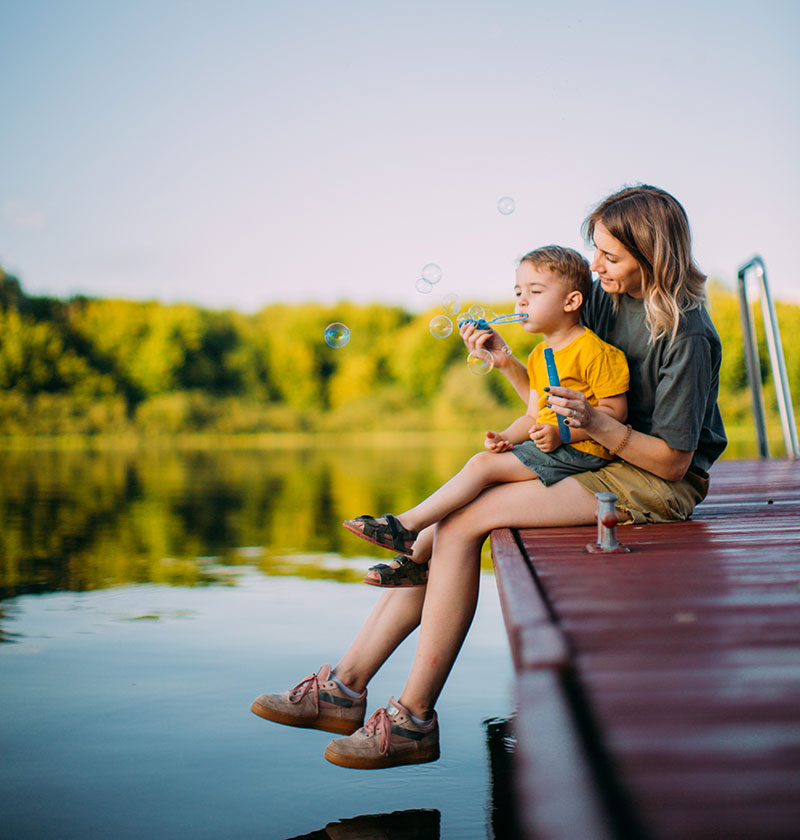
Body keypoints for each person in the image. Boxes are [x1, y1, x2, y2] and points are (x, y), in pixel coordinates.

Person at [250, 184, 727, 771]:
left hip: (654, 480)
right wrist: (508, 359)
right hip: (598, 456)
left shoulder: (687, 334)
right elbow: (546, 405)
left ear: (653, 255)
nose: (596, 266)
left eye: (611, 255)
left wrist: (601, 426)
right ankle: (347, 688)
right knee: (450, 521)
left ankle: (408, 718)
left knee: (461, 524)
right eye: (595, 251)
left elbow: (674, 462)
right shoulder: (606, 301)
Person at [341, 245, 629, 587]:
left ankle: (406, 526)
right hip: (558, 451)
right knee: (478, 484)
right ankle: (416, 558)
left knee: (480, 467)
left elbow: (615, 415)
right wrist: (508, 436)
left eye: (535, 292)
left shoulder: (595, 352)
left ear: (571, 302)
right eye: (518, 292)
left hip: (585, 454)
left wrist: (563, 435)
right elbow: (534, 415)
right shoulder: (540, 355)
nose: (521, 302)